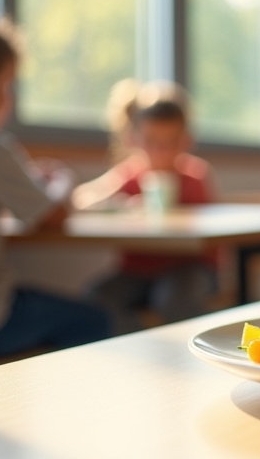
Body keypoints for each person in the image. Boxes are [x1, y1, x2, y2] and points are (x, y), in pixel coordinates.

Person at [0, 13, 109, 358]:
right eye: (6, 86)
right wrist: (62, 180)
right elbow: (52, 216)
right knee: (94, 320)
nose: (8, 100)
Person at [73, 81, 217, 333]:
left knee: (175, 301)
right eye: (151, 141)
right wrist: (122, 206)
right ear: (134, 140)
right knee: (95, 299)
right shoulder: (128, 176)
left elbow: (210, 236)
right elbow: (81, 199)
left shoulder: (196, 177)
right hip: (136, 272)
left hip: (187, 268)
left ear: (185, 140)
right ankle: (140, 347)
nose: (160, 151)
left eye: (169, 142)